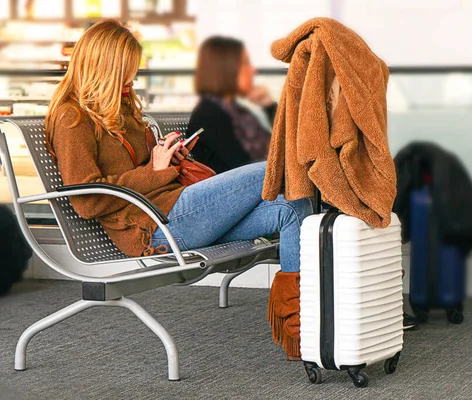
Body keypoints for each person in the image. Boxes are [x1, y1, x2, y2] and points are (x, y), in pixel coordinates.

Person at [44, 19, 311, 361]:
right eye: (127, 70)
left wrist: (170, 158)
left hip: (176, 210)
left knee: (291, 208)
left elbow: (146, 170)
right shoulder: (72, 119)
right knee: (270, 170)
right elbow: (86, 200)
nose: (133, 78)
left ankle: (301, 330)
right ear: (104, 68)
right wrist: (155, 171)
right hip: (155, 228)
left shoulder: (120, 109)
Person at [187, 36, 276, 174]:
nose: (252, 70)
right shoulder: (209, 114)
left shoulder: (234, 109)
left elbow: (278, 146)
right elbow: (250, 167)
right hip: (246, 191)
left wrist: (269, 105)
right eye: (245, 63)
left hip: (263, 186)